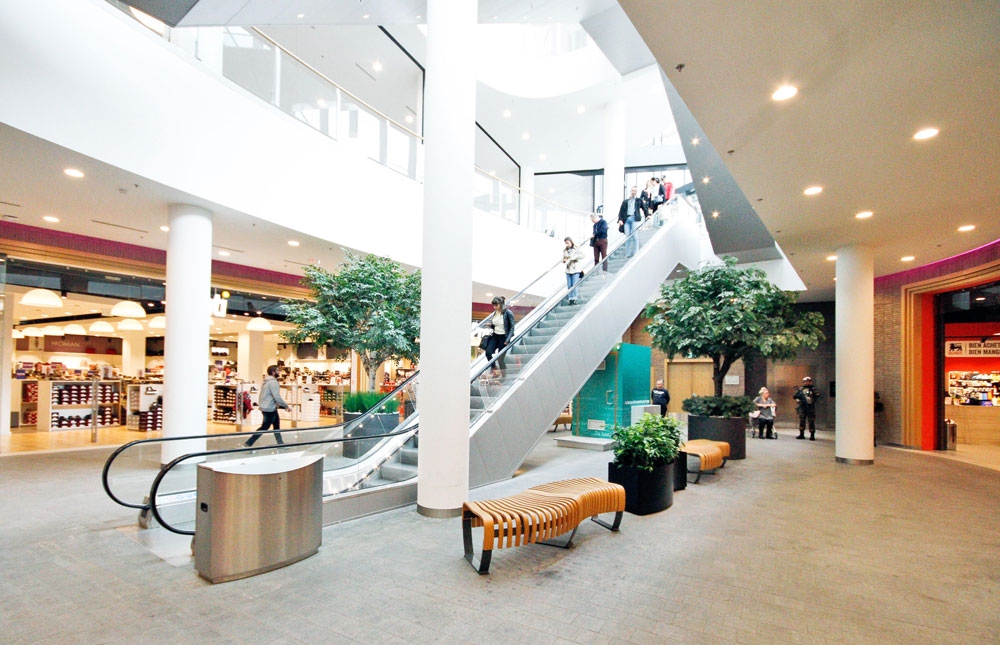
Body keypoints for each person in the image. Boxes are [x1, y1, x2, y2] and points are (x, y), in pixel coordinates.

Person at [243, 365, 290, 447]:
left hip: (269, 407)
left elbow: (263, 395)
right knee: (264, 427)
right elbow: (277, 396)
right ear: (273, 372)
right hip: (269, 408)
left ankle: (280, 443)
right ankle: (248, 443)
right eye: (277, 370)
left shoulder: (265, 382)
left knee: (276, 426)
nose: (279, 372)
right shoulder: (273, 382)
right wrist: (286, 406)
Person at [484, 296, 515, 378]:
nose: (494, 307)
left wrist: (508, 339)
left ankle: (504, 377)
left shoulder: (508, 313)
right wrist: (491, 325)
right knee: (488, 353)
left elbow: (512, 327)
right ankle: (494, 369)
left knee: (500, 359)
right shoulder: (495, 313)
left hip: (503, 338)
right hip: (495, 336)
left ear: (501, 304)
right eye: (493, 305)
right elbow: (496, 324)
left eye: (496, 305)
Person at [617, 186, 646, 258]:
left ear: (636, 192)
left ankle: (636, 251)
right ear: (631, 191)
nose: (633, 192)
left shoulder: (638, 200)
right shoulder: (626, 201)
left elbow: (644, 208)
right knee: (627, 236)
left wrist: (647, 215)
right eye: (632, 190)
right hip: (627, 219)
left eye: (635, 191)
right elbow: (621, 211)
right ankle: (628, 253)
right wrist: (620, 219)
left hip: (634, 219)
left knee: (635, 235)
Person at [793, 376, 821, 440]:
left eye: (808, 381)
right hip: (802, 407)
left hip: (810, 407)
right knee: (802, 420)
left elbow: (818, 394)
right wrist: (798, 397)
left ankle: (812, 434)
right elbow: (795, 396)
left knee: (811, 421)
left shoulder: (813, 388)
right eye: (805, 381)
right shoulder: (801, 389)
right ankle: (801, 434)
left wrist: (813, 393)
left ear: (810, 382)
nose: (806, 383)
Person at [562, 237, 584, 305]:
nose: (567, 244)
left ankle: (574, 298)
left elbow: (582, 256)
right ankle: (570, 298)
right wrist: (564, 260)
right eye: (566, 243)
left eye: (568, 243)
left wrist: (574, 257)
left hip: (575, 268)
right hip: (568, 269)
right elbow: (564, 258)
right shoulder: (565, 250)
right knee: (569, 285)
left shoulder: (576, 248)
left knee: (574, 285)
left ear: (571, 242)